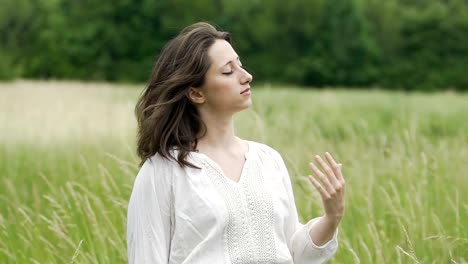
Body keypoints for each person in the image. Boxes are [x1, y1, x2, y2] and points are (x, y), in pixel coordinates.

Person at [126, 22, 345, 264]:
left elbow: (294, 254)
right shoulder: (162, 171)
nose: (247, 76)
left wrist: (331, 217)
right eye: (228, 71)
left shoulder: (268, 160)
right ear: (196, 93)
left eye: (240, 64)